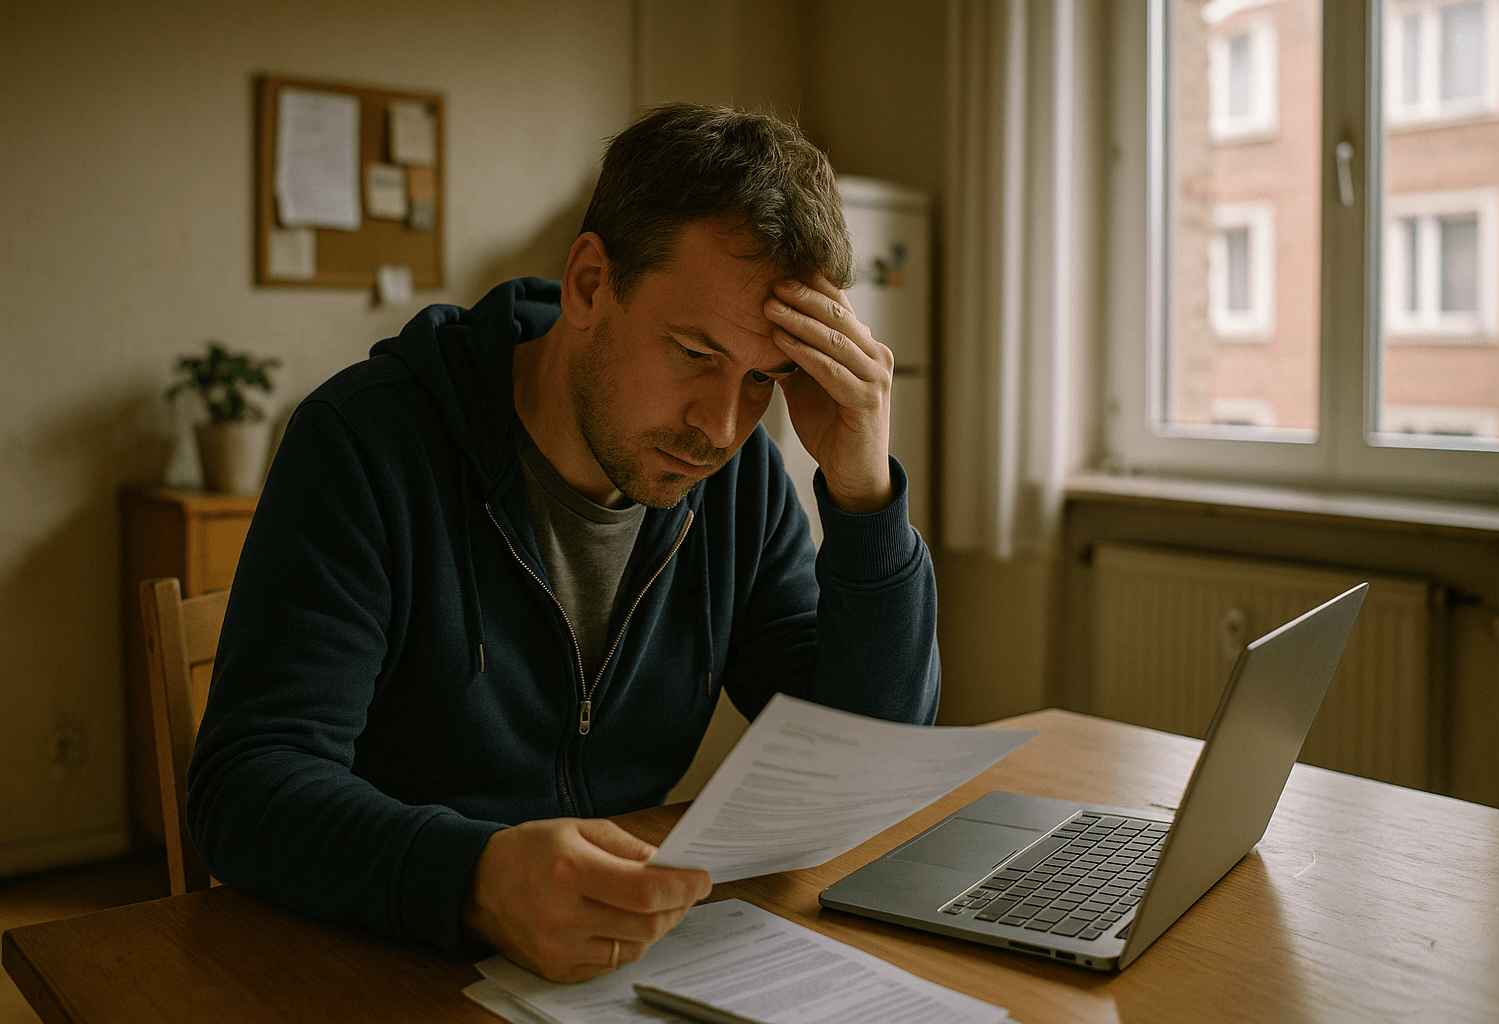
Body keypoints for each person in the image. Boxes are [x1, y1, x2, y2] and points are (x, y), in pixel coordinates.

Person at [187, 103, 940, 983]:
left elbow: (862, 763)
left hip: (608, 970)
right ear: (589, 283)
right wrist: (474, 877)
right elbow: (245, 787)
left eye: (764, 380)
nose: (721, 426)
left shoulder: (737, 482)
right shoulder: (366, 445)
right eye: (695, 353)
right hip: (376, 963)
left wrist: (863, 496)